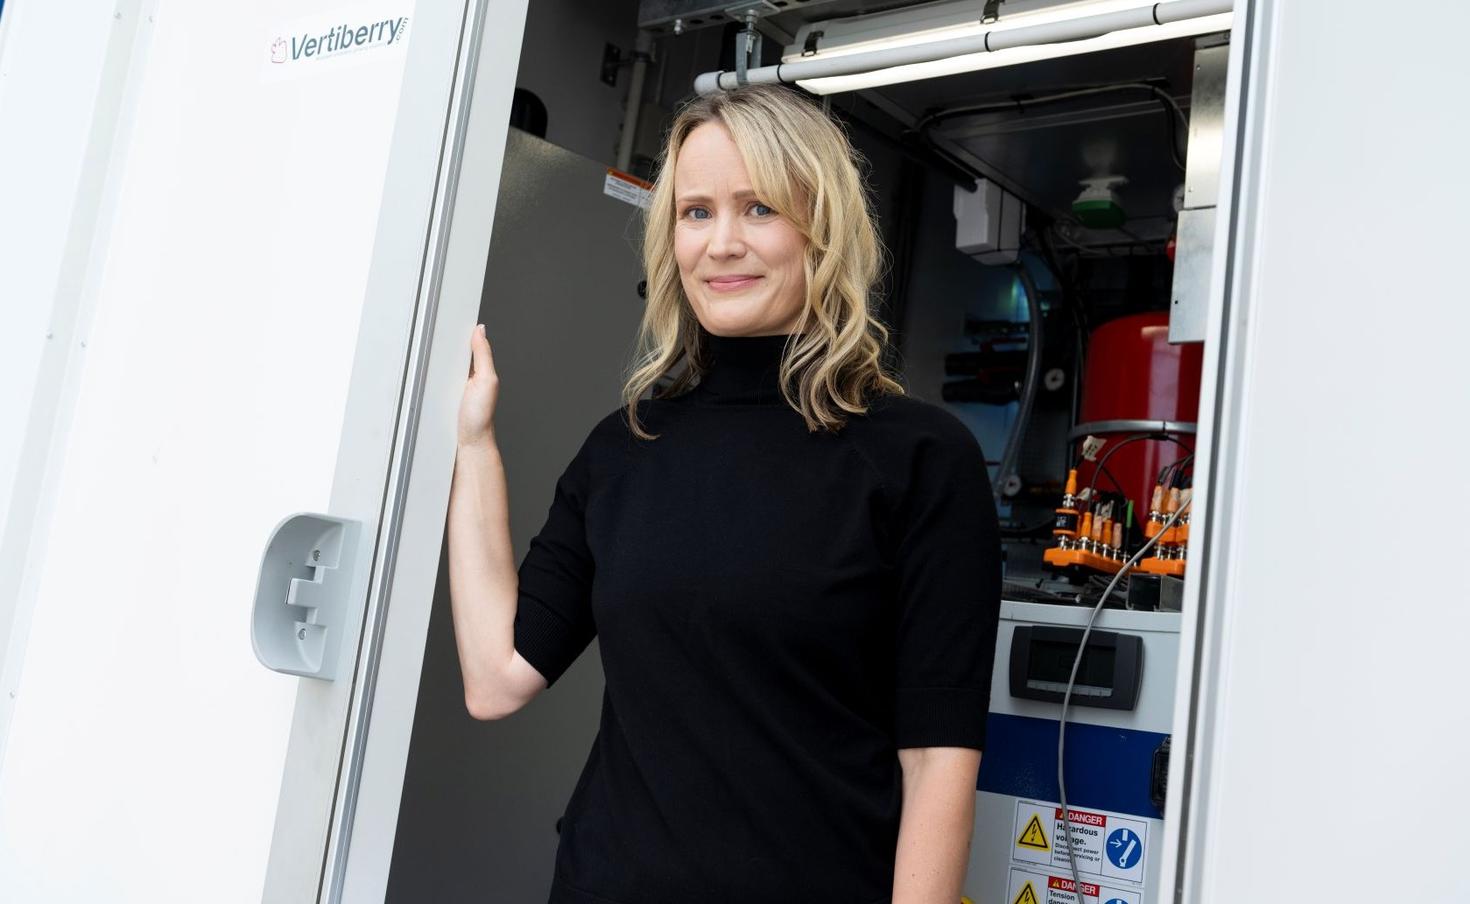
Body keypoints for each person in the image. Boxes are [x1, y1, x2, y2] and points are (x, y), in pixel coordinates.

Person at [449, 84, 1001, 904]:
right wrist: (473, 448)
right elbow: (498, 678)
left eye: (760, 209)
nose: (723, 244)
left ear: (822, 226)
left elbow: (937, 763)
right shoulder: (624, 447)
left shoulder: (920, 457)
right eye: (697, 212)